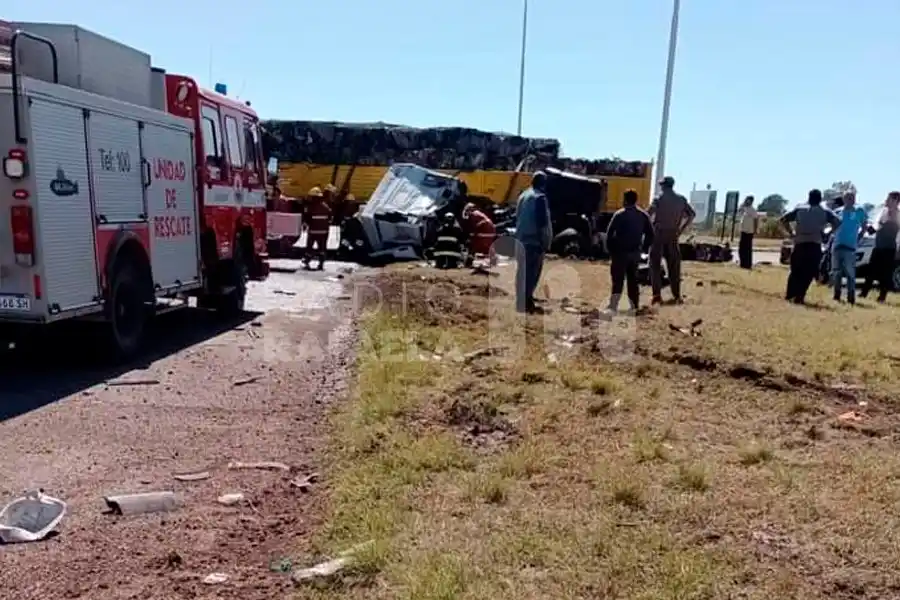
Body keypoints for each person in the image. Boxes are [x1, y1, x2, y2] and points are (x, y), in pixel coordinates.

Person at [780, 189, 841, 304]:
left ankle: (790, 294)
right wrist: (828, 233)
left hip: (799, 243)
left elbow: (783, 219)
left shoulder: (800, 208)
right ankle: (800, 296)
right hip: (814, 244)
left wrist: (791, 232)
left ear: (808, 197)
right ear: (820, 199)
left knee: (795, 271)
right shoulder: (825, 211)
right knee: (808, 272)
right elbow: (838, 221)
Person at [604, 189, 655, 313]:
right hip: (635, 253)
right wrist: (643, 249)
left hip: (620, 253)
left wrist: (611, 250)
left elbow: (609, 234)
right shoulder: (643, 215)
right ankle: (634, 306)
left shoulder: (619, 214)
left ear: (625, 199)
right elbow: (651, 234)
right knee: (633, 281)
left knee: (617, 281)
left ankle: (613, 306)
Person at [647, 176, 695, 304]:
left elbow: (649, 214)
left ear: (663, 186)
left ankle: (657, 295)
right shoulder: (681, 199)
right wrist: (681, 229)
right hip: (673, 234)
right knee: (674, 266)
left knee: (655, 264)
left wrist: (649, 229)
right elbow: (692, 215)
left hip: (658, 234)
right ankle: (676, 295)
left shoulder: (658, 199)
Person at [514, 171, 552, 313]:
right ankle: (525, 303)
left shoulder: (523, 196)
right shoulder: (540, 198)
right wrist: (545, 242)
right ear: (543, 183)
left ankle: (522, 300)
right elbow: (542, 223)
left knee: (521, 273)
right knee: (531, 273)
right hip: (533, 241)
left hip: (520, 239)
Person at [860, 191, 900, 302]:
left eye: (889, 199)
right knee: (871, 271)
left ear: (896, 201)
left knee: (886, 274)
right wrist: (869, 229)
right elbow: (877, 225)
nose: (886, 201)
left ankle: (882, 297)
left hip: (890, 248)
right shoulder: (883, 212)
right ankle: (864, 293)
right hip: (878, 246)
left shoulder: (898, 215)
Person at [831, 191, 868, 304]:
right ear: (844, 199)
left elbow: (864, 226)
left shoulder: (859, 211)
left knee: (850, 274)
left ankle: (851, 297)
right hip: (837, 246)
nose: (851, 200)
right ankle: (837, 295)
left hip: (850, 247)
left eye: (853, 197)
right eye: (848, 198)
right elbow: (832, 226)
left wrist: (859, 238)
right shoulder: (838, 212)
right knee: (836, 272)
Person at [302, 186, 332, 270]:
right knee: (322, 248)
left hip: (313, 231)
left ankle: (307, 261)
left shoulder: (311, 207)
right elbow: (330, 218)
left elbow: (307, 218)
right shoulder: (326, 207)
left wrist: (305, 225)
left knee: (309, 247)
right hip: (324, 232)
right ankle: (321, 264)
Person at [738, 195, 759, 269]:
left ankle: (747, 264)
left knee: (748, 248)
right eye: (746, 199)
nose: (747, 201)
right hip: (743, 230)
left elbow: (756, 220)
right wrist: (742, 206)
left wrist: (755, 229)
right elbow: (739, 212)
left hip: (749, 231)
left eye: (749, 200)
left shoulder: (753, 210)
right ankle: (742, 263)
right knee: (741, 248)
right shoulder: (743, 207)